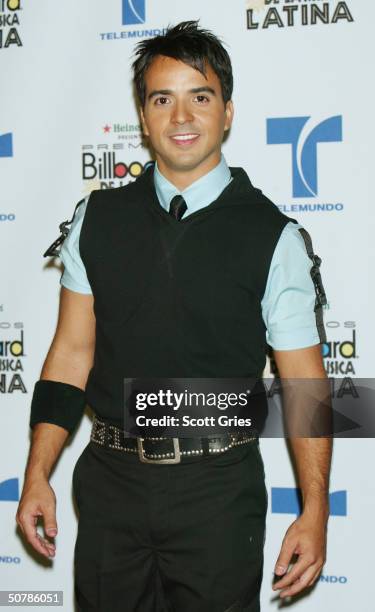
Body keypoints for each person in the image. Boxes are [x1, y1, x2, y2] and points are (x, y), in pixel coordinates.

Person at [16, 20, 332, 612]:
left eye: (200, 97)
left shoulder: (273, 237)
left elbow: (304, 386)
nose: (181, 117)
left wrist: (315, 510)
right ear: (143, 117)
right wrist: (38, 472)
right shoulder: (98, 218)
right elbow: (71, 354)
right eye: (163, 99)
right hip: (110, 486)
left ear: (228, 112)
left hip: (218, 494)